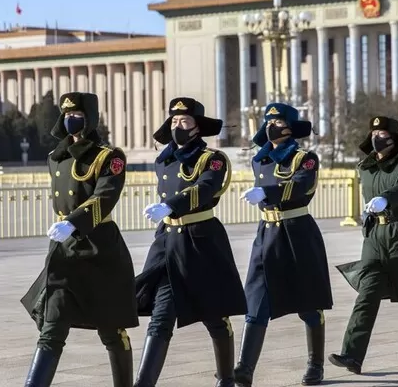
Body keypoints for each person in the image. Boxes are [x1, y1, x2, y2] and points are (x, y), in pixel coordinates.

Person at [20, 92, 138, 387]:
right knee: (51, 328)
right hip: (64, 253)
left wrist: (74, 223)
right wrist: (65, 228)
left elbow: (104, 198)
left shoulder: (108, 157)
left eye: (78, 116)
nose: (71, 120)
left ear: (90, 119)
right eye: (67, 115)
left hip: (99, 251)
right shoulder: (55, 157)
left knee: (111, 331)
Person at [134, 97, 247, 387]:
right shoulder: (165, 159)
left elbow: (206, 188)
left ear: (198, 127)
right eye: (173, 121)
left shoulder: (213, 159)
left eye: (184, 122)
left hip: (201, 242)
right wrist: (166, 213)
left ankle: (226, 379)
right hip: (168, 243)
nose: (177, 126)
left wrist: (172, 205)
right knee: (161, 317)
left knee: (215, 317)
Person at [329, 116, 398, 375]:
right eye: (374, 132)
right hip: (375, 236)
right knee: (367, 293)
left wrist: (386, 199)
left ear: (394, 137)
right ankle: (352, 355)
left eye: (383, 133)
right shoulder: (365, 167)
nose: (378, 137)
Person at [236, 102, 333, 387]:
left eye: (277, 122)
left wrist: (266, 191)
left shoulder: (306, 158)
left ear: (290, 126)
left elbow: (300, 185)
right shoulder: (259, 159)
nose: (270, 126)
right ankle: (244, 368)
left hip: (297, 232)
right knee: (256, 300)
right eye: (267, 121)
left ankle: (315, 364)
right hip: (267, 233)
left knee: (309, 302)